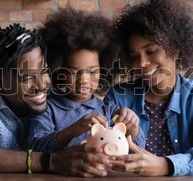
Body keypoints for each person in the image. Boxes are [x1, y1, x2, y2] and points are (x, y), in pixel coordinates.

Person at [0, 23, 110, 177]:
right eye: (27, 78)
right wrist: (49, 161)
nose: (42, 85)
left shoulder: (61, 90)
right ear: (0, 82)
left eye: (44, 71)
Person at [105, 0, 193, 177]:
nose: (142, 63)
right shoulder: (118, 96)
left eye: (151, 51)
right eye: (134, 56)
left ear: (175, 47)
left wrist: (167, 165)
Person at [28, 8, 144, 152]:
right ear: (58, 71)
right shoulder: (47, 109)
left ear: (104, 70)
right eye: (74, 71)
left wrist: (132, 128)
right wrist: (72, 131)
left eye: (93, 72)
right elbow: (36, 146)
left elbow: (138, 149)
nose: (84, 80)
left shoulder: (109, 110)